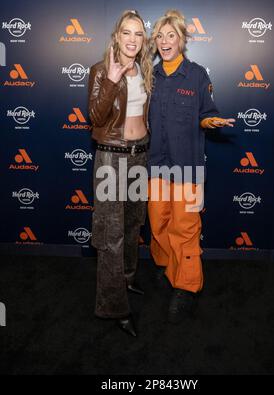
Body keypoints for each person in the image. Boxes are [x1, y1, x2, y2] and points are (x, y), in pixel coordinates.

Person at [148, 10, 235, 324]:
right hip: (155, 166)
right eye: (160, 36)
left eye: (172, 36)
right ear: (155, 42)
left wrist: (210, 120)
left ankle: (186, 286)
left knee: (185, 230)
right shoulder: (149, 75)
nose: (166, 41)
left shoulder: (197, 75)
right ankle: (167, 269)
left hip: (187, 168)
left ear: (182, 40)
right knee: (158, 225)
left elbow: (206, 112)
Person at [88, 10, 152, 337]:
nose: (132, 39)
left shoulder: (144, 69)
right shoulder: (101, 71)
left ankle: (126, 279)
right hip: (111, 159)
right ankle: (114, 307)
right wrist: (112, 80)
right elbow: (96, 117)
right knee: (111, 235)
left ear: (143, 40)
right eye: (126, 33)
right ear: (117, 36)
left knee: (132, 223)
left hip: (139, 156)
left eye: (138, 34)